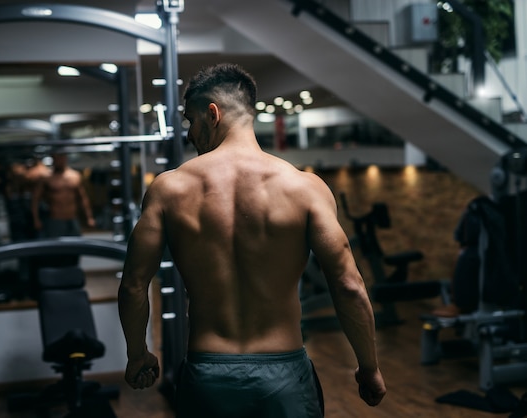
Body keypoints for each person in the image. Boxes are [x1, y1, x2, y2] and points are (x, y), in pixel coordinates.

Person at [118, 63, 386, 417]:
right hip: (285, 376)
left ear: (212, 113)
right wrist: (369, 367)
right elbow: (348, 284)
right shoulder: (304, 188)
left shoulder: (170, 189)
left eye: (190, 121)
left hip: (209, 376)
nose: (189, 134)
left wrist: (137, 354)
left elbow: (135, 284)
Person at [31, 151, 95, 269]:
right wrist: (36, 219)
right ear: (53, 159)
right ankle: (57, 277)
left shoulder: (74, 176)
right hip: (55, 220)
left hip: (72, 219)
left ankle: (72, 273)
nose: (59, 160)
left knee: (75, 249)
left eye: (61, 158)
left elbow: (82, 198)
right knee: (56, 252)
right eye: (57, 158)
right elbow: (35, 199)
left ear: (65, 159)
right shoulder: (46, 177)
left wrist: (89, 217)